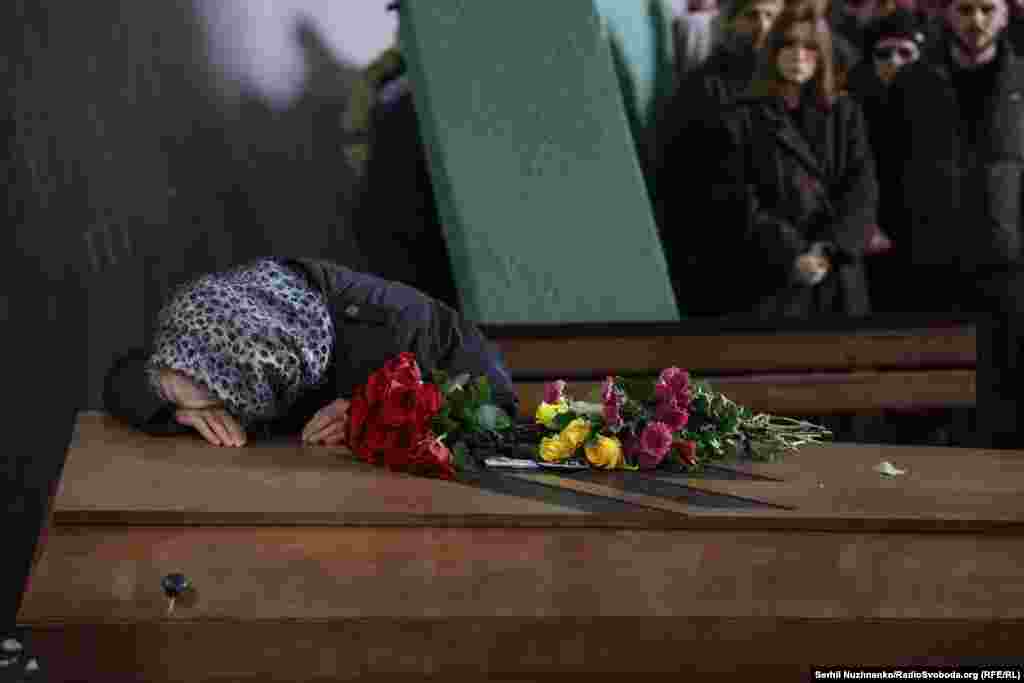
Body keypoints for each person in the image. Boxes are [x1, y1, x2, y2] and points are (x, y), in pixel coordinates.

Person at [103, 257, 518, 447]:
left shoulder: (401, 328)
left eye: (212, 399)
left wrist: (381, 415)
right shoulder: (224, 310)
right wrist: (171, 402)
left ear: (257, 385)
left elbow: (498, 405)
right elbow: (122, 374)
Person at [886, 0, 1024, 446]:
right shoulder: (912, 81)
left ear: (1005, 15)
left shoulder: (1022, 78)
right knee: (931, 398)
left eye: (987, 9)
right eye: (966, 9)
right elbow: (890, 167)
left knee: (1007, 395)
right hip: (932, 261)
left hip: (1008, 261)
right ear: (948, 15)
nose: (976, 20)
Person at [698, 3, 879, 318]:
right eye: (788, 44)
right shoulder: (740, 117)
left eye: (809, 47)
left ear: (822, 54)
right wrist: (793, 254)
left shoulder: (846, 113)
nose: (799, 55)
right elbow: (740, 199)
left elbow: (861, 189)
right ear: (772, 51)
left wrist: (827, 250)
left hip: (838, 279)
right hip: (772, 280)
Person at [846, 10, 927, 310]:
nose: (895, 61)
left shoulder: (941, 103)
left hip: (928, 237)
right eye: (884, 54)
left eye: (906, 53)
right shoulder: (853, 108)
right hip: (871, 236)